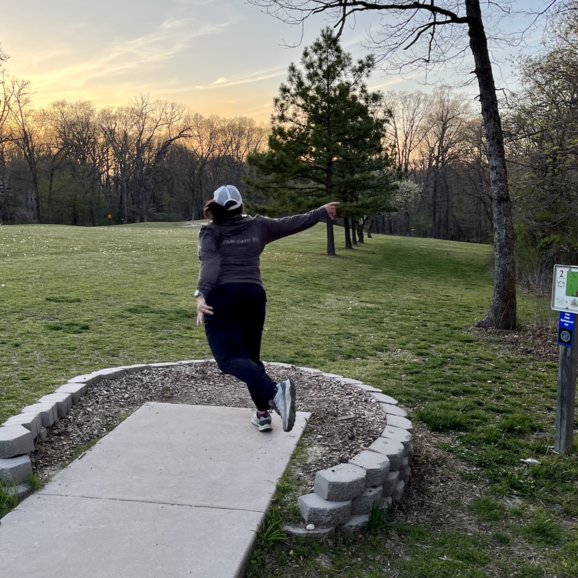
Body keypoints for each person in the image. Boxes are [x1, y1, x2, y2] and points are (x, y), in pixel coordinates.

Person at [195, 184, 339, 433]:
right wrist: (319, 212)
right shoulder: (257, 226)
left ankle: (276, 392)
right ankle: (263, 414)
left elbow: (211, 263)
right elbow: (291, 223)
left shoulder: (211, 232)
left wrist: (201, 294)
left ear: (216, 207)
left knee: (228, 360)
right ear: (241, 206)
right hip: (253, 295)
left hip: (223, 297)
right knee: (250, 359)